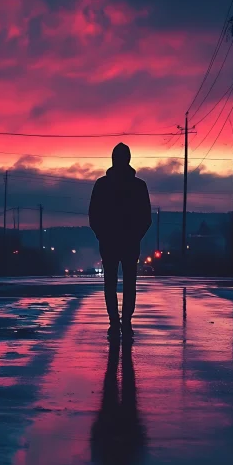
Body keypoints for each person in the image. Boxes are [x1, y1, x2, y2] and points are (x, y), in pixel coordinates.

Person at [88, 143, 152, 334]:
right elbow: (146, 217)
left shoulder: (102, 185)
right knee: (128, 283)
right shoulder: (138, 186)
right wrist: (135, 236)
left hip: (111, 242)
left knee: (111, 283)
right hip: (126, 242)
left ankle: (116, 322)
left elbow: (94, 214)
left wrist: (102, 235)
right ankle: (124, 322)